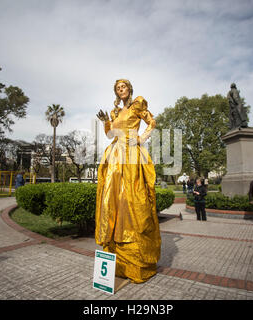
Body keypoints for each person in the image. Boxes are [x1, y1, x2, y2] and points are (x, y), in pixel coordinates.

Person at [95, 79, 161, 284]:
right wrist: (106, 121)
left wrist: (141, 138)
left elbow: (152, 122)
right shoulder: (115, 113)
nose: (120, 90)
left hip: (131, 154)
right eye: (117, 88)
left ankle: (137, 262)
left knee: (133, 201)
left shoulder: (138, 104)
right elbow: (109, 135)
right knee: (112, 202)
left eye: (123, 87)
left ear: (129, 89)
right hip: (114, 156)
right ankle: (117, 259)